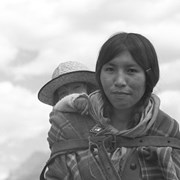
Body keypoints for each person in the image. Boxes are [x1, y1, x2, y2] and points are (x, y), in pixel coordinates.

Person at [40, 32, 180, 180]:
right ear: (100, 75)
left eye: (131, 70)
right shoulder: (65, 126)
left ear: (149, 77)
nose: (119, 81)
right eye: (110, 69)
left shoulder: (166, 129)